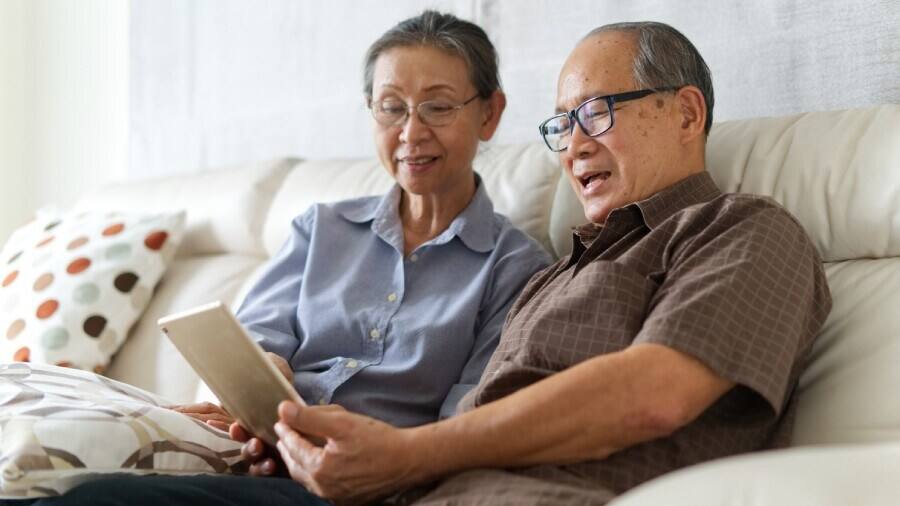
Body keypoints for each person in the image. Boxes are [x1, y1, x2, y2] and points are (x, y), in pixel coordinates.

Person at [236, 21, 832, 505]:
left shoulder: (741, 228)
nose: (574, 146)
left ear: (685, 113)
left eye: (596, 112)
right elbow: (462, 425)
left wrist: (403, 456)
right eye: (563, 125)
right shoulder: (553, 273)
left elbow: (653, 395)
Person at [7, 10, 549, 506]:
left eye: (437, 106)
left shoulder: (513, 268)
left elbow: (468, 422)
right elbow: (255, 340)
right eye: (391, 108)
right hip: (255, 454)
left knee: (96, 502)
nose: (411, 133)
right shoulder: (322, 228)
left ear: (489, 114)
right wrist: (261, 385)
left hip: (361, 485)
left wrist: (371, 443)